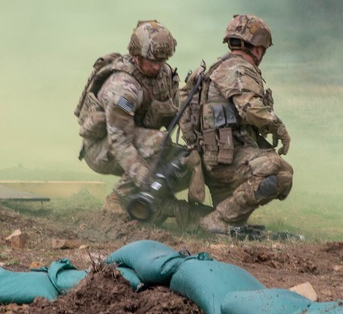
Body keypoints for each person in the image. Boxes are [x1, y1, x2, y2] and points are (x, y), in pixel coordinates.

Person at [76, 20, 202, 224]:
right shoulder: (122, 89)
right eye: (151, 61)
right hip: (103, 148)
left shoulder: (164, 75)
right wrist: (146, 179)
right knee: (158, 142)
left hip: (141, 143)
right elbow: (120, 142)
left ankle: (151, 204)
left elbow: (174, 111)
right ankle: (117, 199)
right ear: (136, 57)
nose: (157, 66)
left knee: (185, 162)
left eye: (161, 60)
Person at [179, 14, 293, 233]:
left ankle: (220, 220)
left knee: (238, 218)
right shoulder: (237, 70)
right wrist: (279, 128)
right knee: (281, 172)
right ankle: (218, 220)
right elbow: (250, 108)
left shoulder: (219, 67)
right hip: (225, 163)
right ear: (258, 47)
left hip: (218, 157)